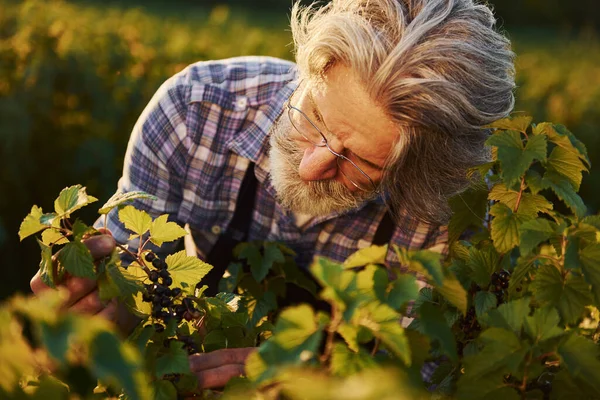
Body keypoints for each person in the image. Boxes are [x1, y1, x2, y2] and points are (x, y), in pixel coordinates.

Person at [30, 0, 515, 390]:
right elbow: (131, 277)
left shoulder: (449, 214)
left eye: (361, 163)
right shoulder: (195, 111)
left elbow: (419, 374)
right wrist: (98, 306)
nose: (312, 166)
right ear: (310, 70)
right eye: (315, 118)